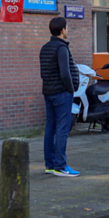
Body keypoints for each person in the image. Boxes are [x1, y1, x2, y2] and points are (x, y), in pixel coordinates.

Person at [40, 16, 81, 177]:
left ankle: (49, 165)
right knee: (62, 129)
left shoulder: (45, 48)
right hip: (62, 94)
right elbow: (65, 73)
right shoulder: (61, 48)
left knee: (50, 128)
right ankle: (61, 166)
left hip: (48, 92)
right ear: (63, 30)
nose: (68, 30)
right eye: (67, 28)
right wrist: (71, 89)